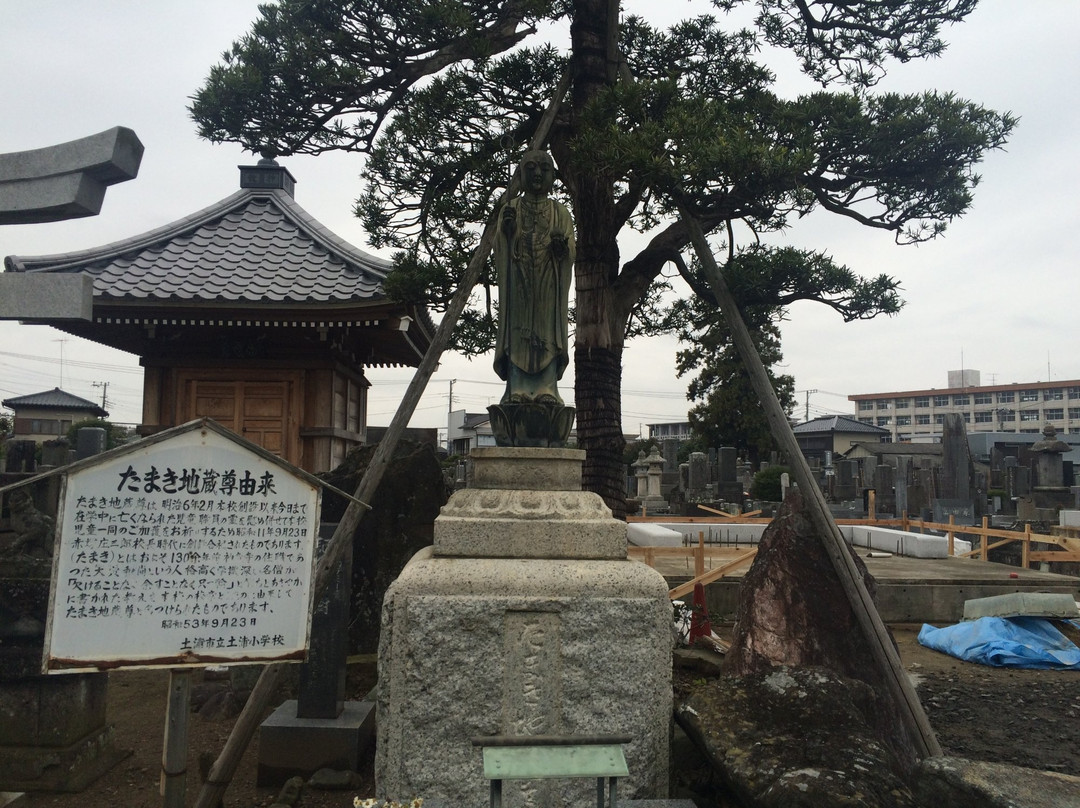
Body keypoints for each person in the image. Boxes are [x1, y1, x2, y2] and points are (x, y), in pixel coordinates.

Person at [493, 150, 575, 405]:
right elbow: (500, 247)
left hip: (549, 286)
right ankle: (516, 390)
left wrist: (562, 249)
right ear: (520, 173)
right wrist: (507, 231)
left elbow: (571, 250)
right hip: (518, 286)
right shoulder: (512, 207)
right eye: (530, 168)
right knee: (517, 336)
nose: (537, 173)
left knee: (548, 336)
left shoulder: (560, 212)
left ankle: (547, 390)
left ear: (553, 176)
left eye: (544, 168)